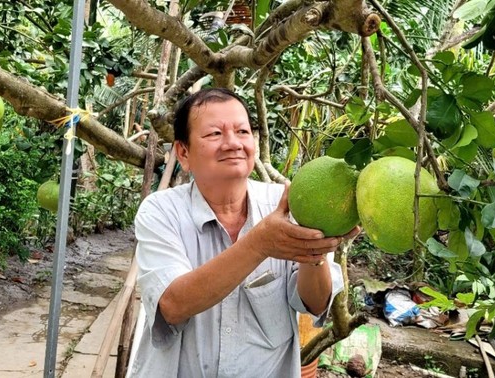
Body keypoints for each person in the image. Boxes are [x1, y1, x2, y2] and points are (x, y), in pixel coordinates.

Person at [129, 88, 358, 377]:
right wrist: (259, 244)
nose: (233, 143)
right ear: (184, 153)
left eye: (242, 131)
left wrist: (314, 250)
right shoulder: (161, 212)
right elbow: (173, 304)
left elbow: (314, 303)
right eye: (214, 134)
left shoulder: (288, 205)